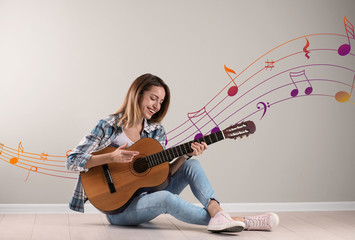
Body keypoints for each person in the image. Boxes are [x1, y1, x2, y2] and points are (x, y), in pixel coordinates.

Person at [66, 73, 279, 233]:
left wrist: (186, 155)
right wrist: (111, 157)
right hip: (119, 208)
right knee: (166, 199)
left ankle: (217, 212)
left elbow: (162, 174)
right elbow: (72, 160)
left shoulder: (156, 131)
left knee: (191, 165)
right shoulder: (108, 125)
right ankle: (244, 221)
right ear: (137, 94)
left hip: (149, 195)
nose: (157, 106)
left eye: (160, 102)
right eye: (153, 98)